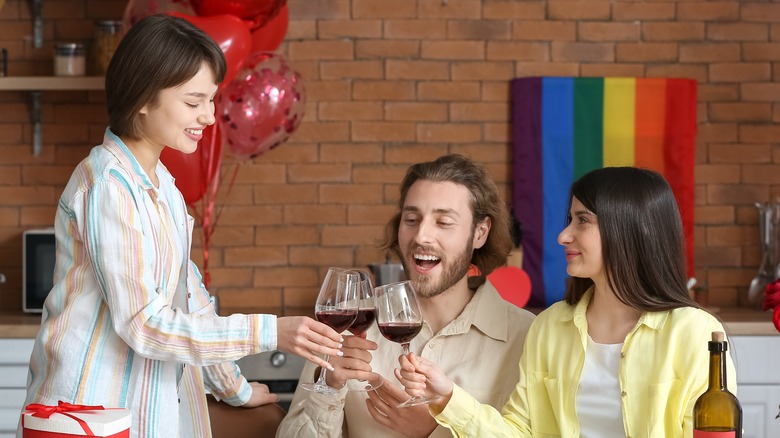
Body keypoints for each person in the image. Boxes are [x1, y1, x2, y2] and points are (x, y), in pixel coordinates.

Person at [19, 15, 343, 438]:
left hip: (143, 414)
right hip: (84, 416)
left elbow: (191, 300)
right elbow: (145, 323)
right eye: (194, 102)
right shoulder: (108, 186)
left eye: (211, 100)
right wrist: (271, 331)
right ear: (142, 98)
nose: (209, 117)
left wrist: (235, 390)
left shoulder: (163, 188)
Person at [397, 166, 738, 437]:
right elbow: (519, 433)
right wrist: (447, 398)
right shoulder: (550, 327)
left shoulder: (694, 333)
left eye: (583, 220)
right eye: (569, 219)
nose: (563, 236)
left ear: (634, 229)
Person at [276, 154, 536, 438]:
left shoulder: (527, 338)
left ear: (480, 233)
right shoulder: (346, 323)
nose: (421, 235)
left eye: (444, 222)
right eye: (411, 219)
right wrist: (329, 387)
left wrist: (433, 432)